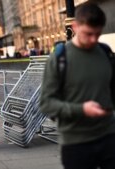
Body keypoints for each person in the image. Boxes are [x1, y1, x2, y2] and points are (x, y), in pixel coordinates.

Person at [39, 3, 115, 169]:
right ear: (75, 26)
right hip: (76, 142)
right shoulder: (59, 59)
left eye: (98, 34)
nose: (94, 39)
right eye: (88, 34)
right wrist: (81, 109)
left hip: (109, 136)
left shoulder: (105, 52)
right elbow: (46, 103)